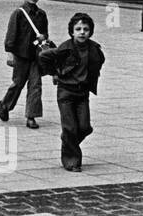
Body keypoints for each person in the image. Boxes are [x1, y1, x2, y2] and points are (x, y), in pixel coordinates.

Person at [38, 12, 105, 172]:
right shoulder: (65, 48)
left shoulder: (94, 48)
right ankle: (72, 161)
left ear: (91, 31)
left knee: (85, 127)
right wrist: (55, 73)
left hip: (82, 94)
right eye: (78, 29)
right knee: (70, 127)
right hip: (66, 92)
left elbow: (99, 61)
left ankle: (67, 142)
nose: (82, 32)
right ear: (72, 32)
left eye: (86, 29)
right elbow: (44, 56)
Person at [0, 0, 54, 130]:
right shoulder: (18, 13)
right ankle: (5, 105)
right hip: (21, 55)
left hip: (36, 56)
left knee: (35, 86)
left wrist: (44, 37)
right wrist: (10, 53)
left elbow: (45, 33)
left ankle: (31, 117)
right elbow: (11, 34)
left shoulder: (41, 14)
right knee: (18, 83)